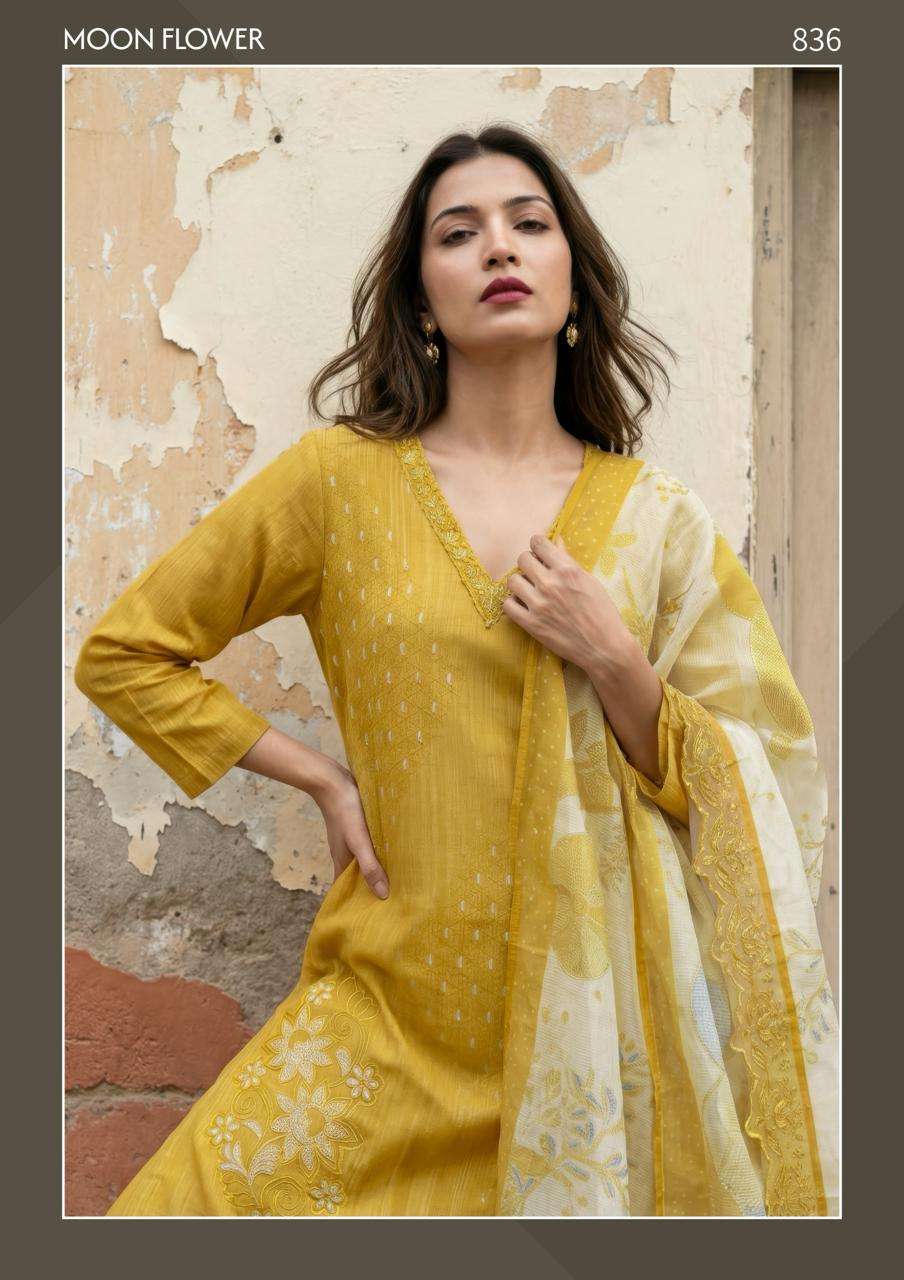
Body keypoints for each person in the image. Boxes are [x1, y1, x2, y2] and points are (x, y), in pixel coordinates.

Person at [73, 123, 839, 1217]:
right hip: (387, 1022)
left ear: (573, 284)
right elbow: (126, 653)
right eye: (458, 232)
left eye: (529, 223)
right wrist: (319, 777)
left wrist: (614, 656)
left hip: (595, 1060)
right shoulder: (338, 481)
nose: (498, 247)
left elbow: (763, 776)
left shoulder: (656, 522)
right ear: (423, 301)